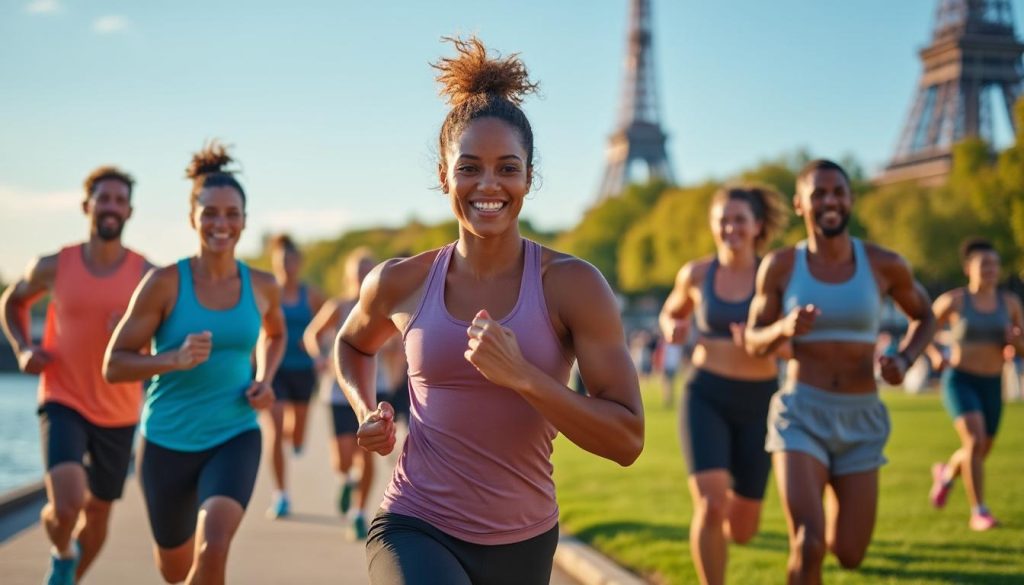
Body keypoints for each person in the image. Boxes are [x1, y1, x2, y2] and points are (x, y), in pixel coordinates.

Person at [334, 37, 644, 584]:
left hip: (523, 539)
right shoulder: (400, 281)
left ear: (529, 175)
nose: (488, 185)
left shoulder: (572, 285)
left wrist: (523, 377)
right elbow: (353, 343)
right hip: (415, 522)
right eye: (470, 167)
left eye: (507, 168)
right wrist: (365, 411)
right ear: (444, 175)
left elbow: (627, 441)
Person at [745, 159, 935, 584]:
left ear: (850, 199)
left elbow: (926, 316)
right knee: (809, 542)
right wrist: (783, 328)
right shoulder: (779, 266)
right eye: (818, 193)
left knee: (849, 554)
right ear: (799, 204)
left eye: (837, 192)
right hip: (801, 414)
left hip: (861, 417)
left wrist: (904, 360)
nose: (829, 201)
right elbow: (753, 340)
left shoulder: (885, 264)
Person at [103, 142, 284, 584]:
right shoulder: (163, 284)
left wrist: (264, 378)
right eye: (210, 213)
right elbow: (114, 364)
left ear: (244, 219)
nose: (221, 224)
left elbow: (275, 334)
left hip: (234, 433)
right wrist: (172, 359)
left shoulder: (262, 285)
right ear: (192, 218)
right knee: (176, 570)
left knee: (214, 546)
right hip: (167, 442)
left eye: (231, 214)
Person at [0, 166, 149, 585]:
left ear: (130, 211)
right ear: (87, 205)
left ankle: (67, 578)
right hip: (62, 398)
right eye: (104, 198)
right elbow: (13, 302)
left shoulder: (146, 275)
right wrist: (22, 347)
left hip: (120, 409)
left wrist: (139, 330)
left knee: (99, 513)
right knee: (66, 507)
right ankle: (62, 551)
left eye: (120, 200)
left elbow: (165, 331)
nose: (111, 207)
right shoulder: (53, 265)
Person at [658, 184, 788, 585]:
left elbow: (792, 345)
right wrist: (674, 329)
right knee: (711, 506)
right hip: (706, 395)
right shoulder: (696, 273)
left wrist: (763, 342)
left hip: (759, 401)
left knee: (743, 529)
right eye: (723, 221)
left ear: (757, 226)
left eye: (739, 220)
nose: (731, 228)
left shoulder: (776, 277)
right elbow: (670, 312)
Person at [926, 237, 1024, 530]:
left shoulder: (1010, 303)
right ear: (969, 268)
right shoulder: (954, 301)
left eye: (995, 264)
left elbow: (1022, 347)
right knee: (974, 441)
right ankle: (979, 511)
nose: (991, 269)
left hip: (993, 383)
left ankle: (944, 475)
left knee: (979, 450)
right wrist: (933, 354)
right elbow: (923, 328)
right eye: (984, 265)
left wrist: (1016, 342)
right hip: (960, 380)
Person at [303, 247, 378, 539]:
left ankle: (359, 514)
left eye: (367, 270)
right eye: (358, 271)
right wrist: (319, 356)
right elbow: (312, 334)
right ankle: (347, 481)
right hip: (339, 391)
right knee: (344, 460)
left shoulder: (384, 307)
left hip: (375, 389)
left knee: (368, 456)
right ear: (350, 275)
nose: (362, 276)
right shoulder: (340, 306)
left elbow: (400, 342)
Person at [264, 234, 325, 519]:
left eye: (291, 261)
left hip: (303, 370)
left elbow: (330, 323)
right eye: (281, 261)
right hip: (274, 370)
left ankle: (296, 436)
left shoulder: (310, 294)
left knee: (296, 432)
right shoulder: (268, 293)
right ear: (275, 263)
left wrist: (320, 350)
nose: (286, 266)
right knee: (274, 431)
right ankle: (281, 495)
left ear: (298, 263)